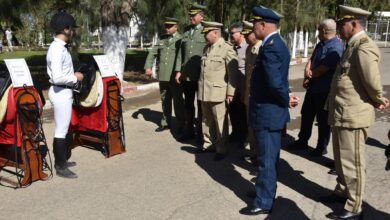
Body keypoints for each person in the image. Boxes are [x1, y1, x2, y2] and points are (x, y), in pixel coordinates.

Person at [322, 5, 389, 219]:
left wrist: (378, 99)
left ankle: (354, 206)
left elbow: (371, 80)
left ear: (354, 24)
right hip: (342, 111)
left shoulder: (363, 46)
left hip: (353, 114)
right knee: (341, 159)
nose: (340, 28)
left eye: (343, 24)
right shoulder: (350, 45)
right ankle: (343, 191)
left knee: (353, 162)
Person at [239, 6, 290, 215]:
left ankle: (264, 201)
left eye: (254, 25)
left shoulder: (271, 47)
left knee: (266, 161)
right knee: (266, 158)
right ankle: (265, 191)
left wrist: (287, 99)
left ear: (262, 25)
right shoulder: (274, 43)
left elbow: (274, 82)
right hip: (268, 111)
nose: (253, 29)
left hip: (268, 113)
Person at [289, 19, 343, 157]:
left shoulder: (336, 47)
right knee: (306, 115)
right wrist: (307, 69)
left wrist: (310, 75)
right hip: (313, 88)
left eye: (319, 29)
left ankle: (321, 147)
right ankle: (302, 141)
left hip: (325, 90)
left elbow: (324, 68)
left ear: (324, 30)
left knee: (323, 121)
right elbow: (312, 59)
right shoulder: (321, 44)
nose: (317, 32)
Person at [47, 11, 84, 179]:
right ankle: (60, 166)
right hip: (61, 91)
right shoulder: (57, 50)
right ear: (66, 29)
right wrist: (75, 77)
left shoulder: (60, 48)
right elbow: (57, 76)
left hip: (63, 90)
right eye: (72, 28)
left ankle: (62, 160)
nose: (73, 32)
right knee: (61, 130)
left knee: (63, 128)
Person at [197, 21, 239, 161]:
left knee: (220, 121)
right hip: (204, 91)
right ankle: (208, 144)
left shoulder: (227, 48)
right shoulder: (206, 48)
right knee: (206, 120)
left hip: (218, 93)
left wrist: (230, 93)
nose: (204, 36)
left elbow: (232, 73)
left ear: (215, 33)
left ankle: (221, 148)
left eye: (206, 33)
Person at [144, 17, 185, 134]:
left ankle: (181, 124)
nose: (166, 28)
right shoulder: (161, 39)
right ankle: (165, 122)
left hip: (174, 76)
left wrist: (180, 72)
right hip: (163, 76)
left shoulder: (181, 39)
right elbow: (153, 53)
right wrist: (148, 66)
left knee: (178, 102)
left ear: (176, 27)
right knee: (165, 100)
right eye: (166, 26)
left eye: (169, 26)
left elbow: (182, 58)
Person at [175, 3, 207, 143]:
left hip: (201, 75)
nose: (191, 17)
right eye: (190, 15)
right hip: (187, 74)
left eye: (194, 15)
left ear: (201, 16)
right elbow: (180, 54)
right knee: (188, 103)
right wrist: (178, 71)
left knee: (201, 105)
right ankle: (189, 130)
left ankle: (201, 132)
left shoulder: (207, 30)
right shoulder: (187, 31)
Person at [241, 20, 262, 161]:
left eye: (247, 34)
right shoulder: (249, 48)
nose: (246, 37)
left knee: (259, 128)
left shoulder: (262, 49)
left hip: (259, 97)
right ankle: (253, 152)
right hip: (250, 95)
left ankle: (260, 156)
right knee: (251, 126)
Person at [228, 22, 248, 145]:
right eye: (229, 33)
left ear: (241, 33)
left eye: (233, 33)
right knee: (233, 112)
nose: (230, 36)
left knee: (243, 114)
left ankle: (244, 137)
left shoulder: (247, 48)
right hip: (232, 87)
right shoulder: (232, 48)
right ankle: (235, 133)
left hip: (242, 87)